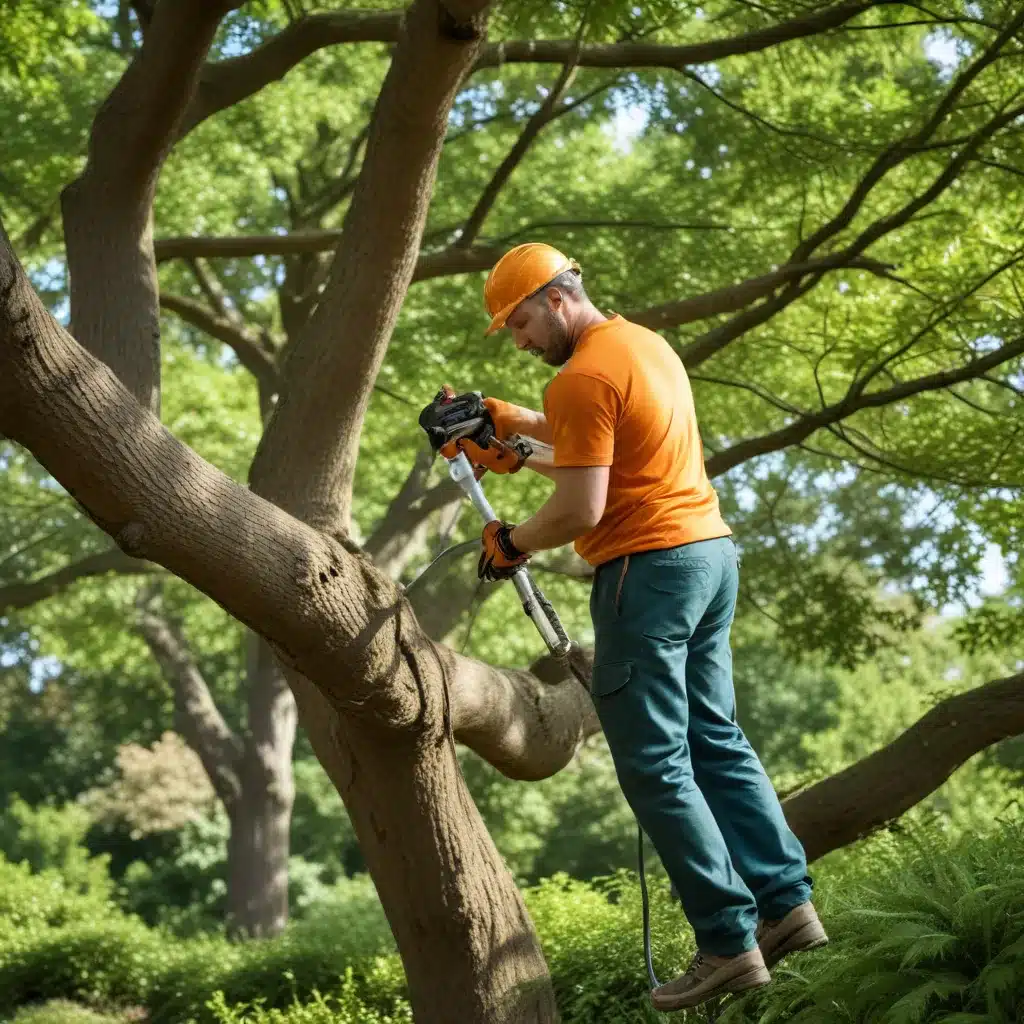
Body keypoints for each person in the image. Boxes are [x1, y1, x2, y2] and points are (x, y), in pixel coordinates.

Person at [471, 242, 828, 1012]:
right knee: (714, 737)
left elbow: (579, 508)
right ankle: (788, 907)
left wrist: (512, 542)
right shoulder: (641, 346)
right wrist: (506, 428)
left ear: (558, 298)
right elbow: (594, 450)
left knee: (655, 762)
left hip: (646, 573)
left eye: (523, 322)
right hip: (708, 556)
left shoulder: (581, 376)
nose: (522, 340)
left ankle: (728, 943)